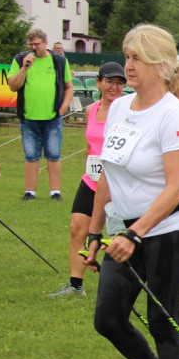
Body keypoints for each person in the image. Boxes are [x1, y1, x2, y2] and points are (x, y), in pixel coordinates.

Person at [84, 24, 179, 359]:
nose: (128, 65)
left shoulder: (174, 115)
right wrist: (95, 233)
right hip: (123, 230)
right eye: (127, 56)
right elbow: (106, 175)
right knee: (108, 319)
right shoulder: (118, 108)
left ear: (162, 65)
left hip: (168, 230)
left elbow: (174, 188)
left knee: (163, 321)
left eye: (137, 58)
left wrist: (134, 233)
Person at [47, 62, 127, 297]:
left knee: (119, 237)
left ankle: (131, 286)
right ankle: (75, 284)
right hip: (91, 180)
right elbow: (91, 145)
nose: (114, 87)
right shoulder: (91, 110)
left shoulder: (125, 111)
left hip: (116, 182)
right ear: (99, 82)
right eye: (110, 82)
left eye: (120, 83)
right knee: (76, 229)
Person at [6, 28, 74, 201]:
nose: (34, 47)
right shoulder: (21, 59)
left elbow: (68, 87)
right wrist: (24, 68)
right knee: (31, 155)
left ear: (45, 43)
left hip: (52, 117)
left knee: (53, 154)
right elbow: (13, 86)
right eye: (31, 45)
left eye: (37, 44)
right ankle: (30, 191)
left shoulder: (59, 60)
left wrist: (63, 108)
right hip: (29, 117)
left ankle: (55, 192)